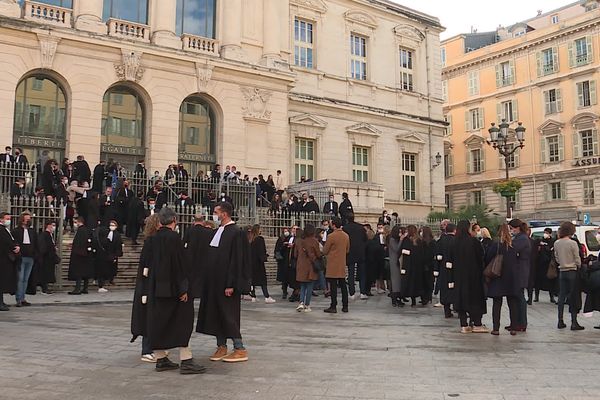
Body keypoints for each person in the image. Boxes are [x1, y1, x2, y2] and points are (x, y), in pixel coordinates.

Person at [136, 208, 206, 374]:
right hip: (174, 290)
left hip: (155, 289)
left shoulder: (151, 240)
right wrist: (183, 289)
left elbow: (145, 267)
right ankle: (186, 359)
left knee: (158, 323)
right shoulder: (174, 238)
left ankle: (161, 358)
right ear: (174, 220)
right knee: (182, 323)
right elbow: (179, 266)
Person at [196, 202, 252, 363]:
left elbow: (237, 260)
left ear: (225, 214)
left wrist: (231, 283)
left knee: (229, 315)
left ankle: (239, 348)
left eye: (216, 212)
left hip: (227, 283)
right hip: (214, 282)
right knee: (217, 314)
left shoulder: (236, 233)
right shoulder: (217, 231)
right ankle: (221, 346)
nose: (214, 214)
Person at [131, 214, 160, 363]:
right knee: (148, 316)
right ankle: (147, 349)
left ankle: (152, 347)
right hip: (148, 284)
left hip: (149, 282)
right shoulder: (151, 242)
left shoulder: (152, 241)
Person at [450, 220, 488, 333]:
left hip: (458, 275)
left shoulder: (454, 242)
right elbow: (481, 257)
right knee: (475, 299)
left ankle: (464, 324)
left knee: (461, 299)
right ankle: (477, 323)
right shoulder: (473, 242)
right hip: (473, 275)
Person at [486, 224, 521, 336]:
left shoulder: (496, 245)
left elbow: (488, 258)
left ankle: (496, 328)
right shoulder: (513, 245)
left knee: (497, 303)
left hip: (498, 275)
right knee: (512, 303)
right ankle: (514, 328)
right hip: (511, 277)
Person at [554, 221, 584, 331]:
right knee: (574, 296)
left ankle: (560, 320)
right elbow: (577, 258)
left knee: (562, 296)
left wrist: (562, 263)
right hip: (572, 271)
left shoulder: (557, 243)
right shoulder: (572, 243)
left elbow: (556, 257)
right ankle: (574, 322)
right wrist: (578, 265)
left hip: (562, 271)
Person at [182, 213, 213, 301]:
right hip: (204, 258)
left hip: (191, 258)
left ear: (193, 220)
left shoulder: (189, 230)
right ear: (203, 221)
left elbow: (184, 243)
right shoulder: (208, 232)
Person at [323, 217, 350, 313]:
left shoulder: (331, 236)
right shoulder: (346, 236)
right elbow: (347, 249)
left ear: (334, 225)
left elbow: (325, 250)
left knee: (333, 286)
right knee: (343, 285)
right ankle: (345, 305)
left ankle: (333, 305)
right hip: (342, 263)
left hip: (332, 263)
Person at [509, 219, 531, 332]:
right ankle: (516, 322)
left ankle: (521, 323)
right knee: (517, 297)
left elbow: (513, 250)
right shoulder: (520, 237)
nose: (511, 231)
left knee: (519, 297)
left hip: (520, 271)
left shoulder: (522, 238)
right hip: (519, 270)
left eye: (511, 229)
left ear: (516, 228)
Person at [295, 224, 321, 312]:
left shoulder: (299, 241)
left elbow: (295, 254)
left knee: (302, 286)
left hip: (301, 265)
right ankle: (307, 304)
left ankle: (301, 302)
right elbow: (318, 254)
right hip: (310, 266)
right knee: (310, 286)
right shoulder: (314, 241)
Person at [12, 212, 37, 306]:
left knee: (26, 279)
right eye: (27, 219)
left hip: (30, 257)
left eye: (29, 219)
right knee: (20, 279)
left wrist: (35, 254)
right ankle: (18, 298)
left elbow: (35, 243)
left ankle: (23, 298)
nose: (28, 220)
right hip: (21, 257)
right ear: (22, 220)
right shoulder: (16, 231)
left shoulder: (32, 231)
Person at [343, 213, 368, 299]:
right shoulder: (361, 227)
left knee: (351, 273)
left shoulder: (345, 228)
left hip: (350, 252)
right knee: (362, 273)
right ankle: (362, 292)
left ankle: (352, 293)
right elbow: (365, 239)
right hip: (360, 252)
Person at [399, 225, 426, 307]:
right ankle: (422, 297)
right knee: (418, 282)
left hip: (408, 265)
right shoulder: (420, 240)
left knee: (409, 282)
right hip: (418, 266)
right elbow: (422, 253)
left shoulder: (406, 240)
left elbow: (403, 251)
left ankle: (412, 299)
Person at [248, 224, 275, 304]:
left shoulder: (250, 240)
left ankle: (253, 296)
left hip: (251, 263)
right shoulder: (260, 239)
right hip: (258, 263)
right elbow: (261, 251)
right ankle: (267, 296)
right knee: (263, 281)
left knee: (252, 281)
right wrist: (265, 256)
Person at [67, 217, 95, 295]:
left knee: (78, 272)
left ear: (79, 222)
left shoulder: (80, 231)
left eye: (76, 222)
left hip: (79, 255)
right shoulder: (87, 230)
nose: (75, 224)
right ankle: (85, 288)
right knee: (85, 272)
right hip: (86, 254)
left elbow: (79, 242)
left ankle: (77, 289)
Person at [94, 220, 123, 292]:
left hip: (113, 253)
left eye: (113, 225)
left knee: (112, 267)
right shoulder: (106, 233)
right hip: (106, 254)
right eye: (111, 225)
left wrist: (117, 254)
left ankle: (110, 279)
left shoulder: (117, 235)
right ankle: (102, 281)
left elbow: (119, 244)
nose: (112, 227)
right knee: (104, 268)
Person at [435, 223, 456, 317]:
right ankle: (457, 308)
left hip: (443, 268)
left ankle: (446, 310)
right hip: (454, 269)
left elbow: (437, 256)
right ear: (454, 230)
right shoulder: (456, 241)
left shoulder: (441, 240)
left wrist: (436, 269)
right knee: (454, 288)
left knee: (444, 288)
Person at [1, 212, 19, 311]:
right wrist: (14, 248)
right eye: (7, 218)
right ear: (1, 219)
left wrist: (16, 246)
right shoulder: (1, 230)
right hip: (3, 259)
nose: (9, 220)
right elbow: (6, 242)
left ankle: (2, 301)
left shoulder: (5, 230)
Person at [534, 228, 557, 303]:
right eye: (544, 232)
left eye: (547, 233)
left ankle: (552, 297)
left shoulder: (553, 241)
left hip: (548, 264)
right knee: (538, 280)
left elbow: (551, 250)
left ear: (550, 234)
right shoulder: (540, 240)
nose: (545, 234)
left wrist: (545, 247)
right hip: (540, 264)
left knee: (550, 281)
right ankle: (536, 296)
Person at [37, 220, 59, 295]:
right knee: (45, 273)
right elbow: (43, 246)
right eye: (52, 225)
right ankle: (44, 288)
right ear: (48, 225)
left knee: (48, 273)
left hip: (49, 257)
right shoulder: (44, 235)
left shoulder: (50, 235)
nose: (53, 227)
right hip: (46, 257)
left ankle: (46, 287)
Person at [387, 225, 403, 307]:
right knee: (395, 281)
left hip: (398, 262)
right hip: (394, 262)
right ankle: (394, 298)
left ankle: (398, 297)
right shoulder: (392, 240)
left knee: (398, 281)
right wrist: (401, 240)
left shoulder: (395, 240)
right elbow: (397, 249)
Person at [421, 226, 436, 305]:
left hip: (423, 264)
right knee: (430, 281)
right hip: (431, 264)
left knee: (424, 281)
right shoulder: (433, 242)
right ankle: (429, 297)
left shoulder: (422, 242)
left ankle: (424, 297)